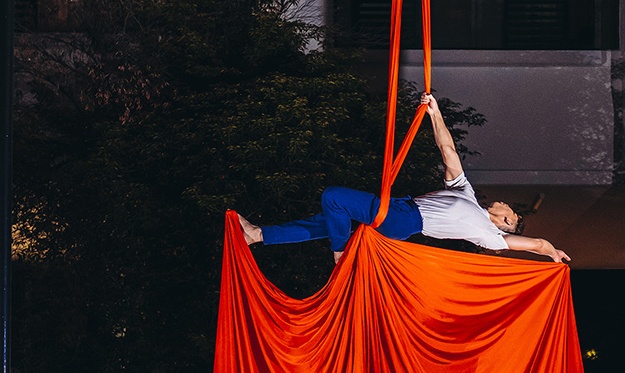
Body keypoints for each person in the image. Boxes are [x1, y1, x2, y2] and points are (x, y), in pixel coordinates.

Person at [238, 94, 570, 266]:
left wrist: (553, 252)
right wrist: (435, 113)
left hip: (404, 221)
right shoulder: (467, 195)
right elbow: (448, 150)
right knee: (328, 220)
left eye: (510, 208)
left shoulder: (490, 237)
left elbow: (538, 245)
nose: (505, 202)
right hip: (400, 209)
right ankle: (258, 236)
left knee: (334, 198)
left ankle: (340, 255)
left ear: (508, 220)